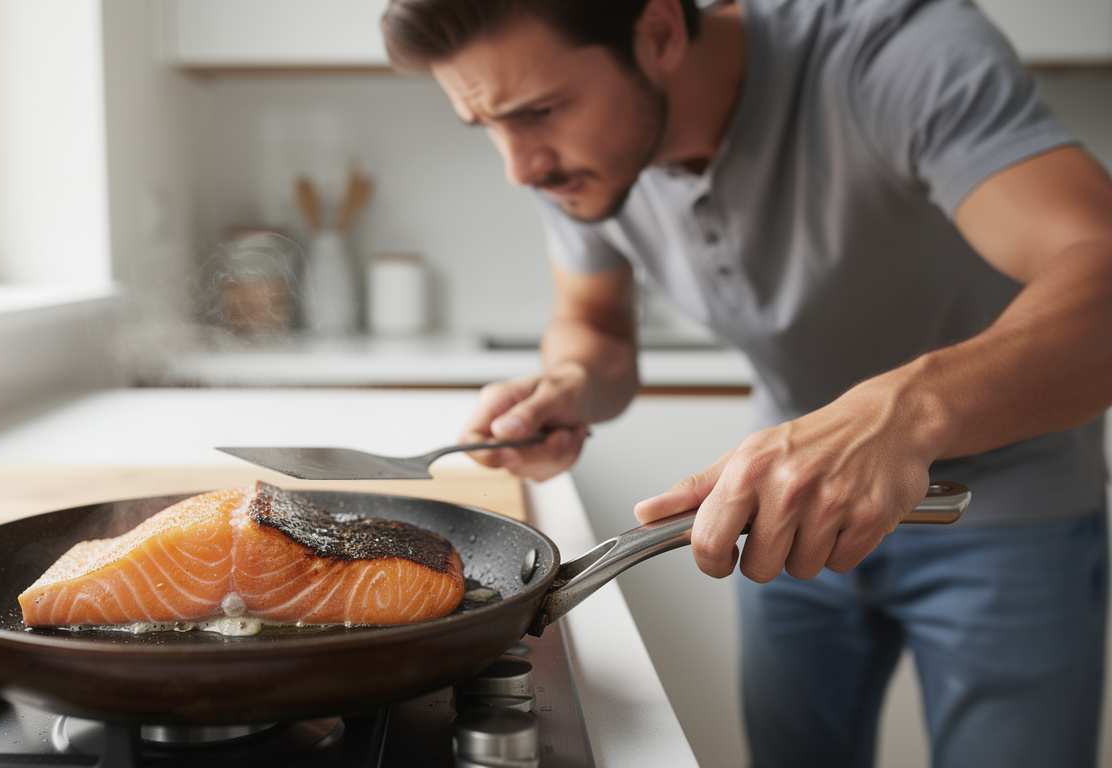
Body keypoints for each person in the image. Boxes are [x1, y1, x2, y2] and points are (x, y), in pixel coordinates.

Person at [380, 0, 1112, 766]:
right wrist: (570, 381)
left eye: (539, 111)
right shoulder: (575, 158)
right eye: (488, 124)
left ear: (658, 32)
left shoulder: (892, 52)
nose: (519, 166)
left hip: (1003, 512)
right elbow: (594, 325)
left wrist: (900, 413)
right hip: (791, 501)